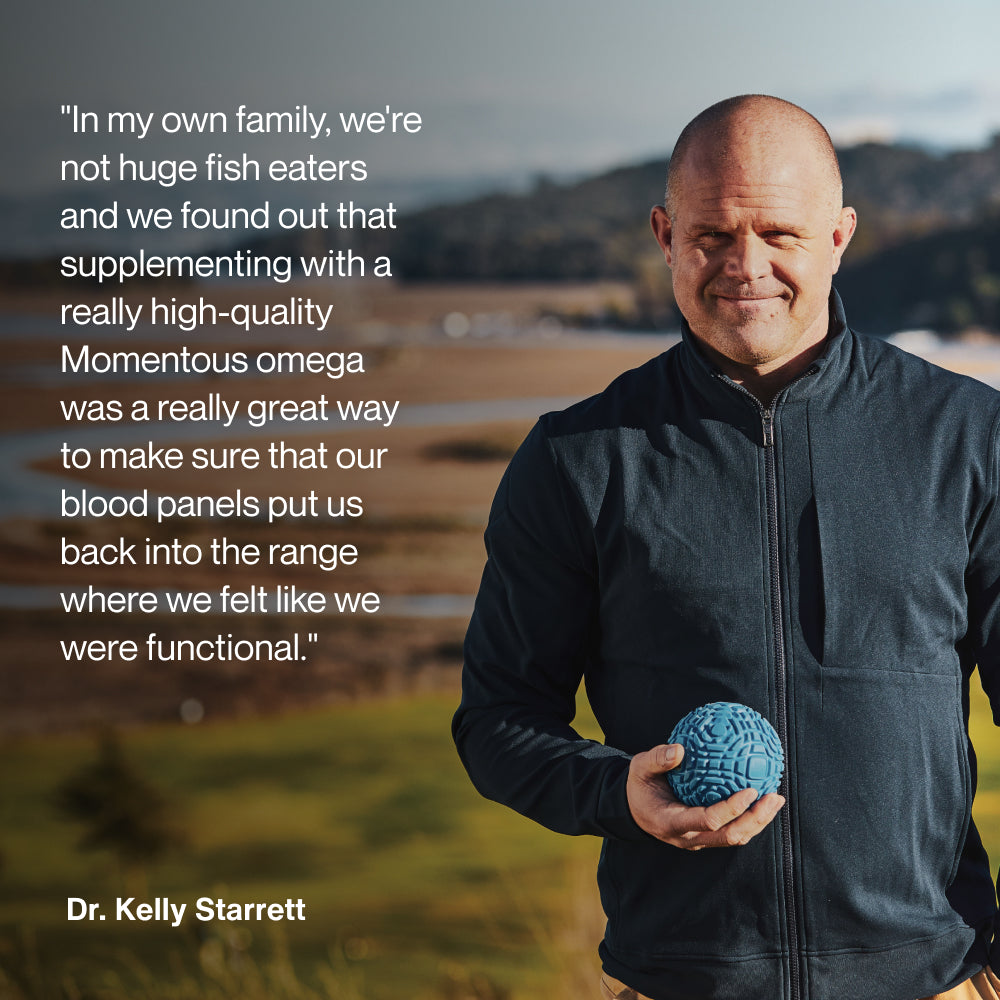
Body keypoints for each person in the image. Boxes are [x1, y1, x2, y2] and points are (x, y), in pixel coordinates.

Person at [452, 95, 1000, 1000]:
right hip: (680, 984)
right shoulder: (576, 459)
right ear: (665, 236)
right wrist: (612, 792)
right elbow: (498, 721)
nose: (745, 267)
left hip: (933, 982)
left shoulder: (968, 436)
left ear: (840, 234)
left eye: (779, 233)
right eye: (711, 236)